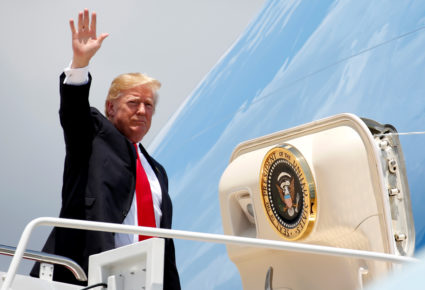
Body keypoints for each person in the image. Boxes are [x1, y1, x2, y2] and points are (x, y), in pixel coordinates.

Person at [30, 9, 181, 289]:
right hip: (86, 276)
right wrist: (80, 62)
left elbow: (165, 244)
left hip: (144, 282)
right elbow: (73, 113)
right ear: (111, 107)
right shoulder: (93, 136)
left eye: (149, 106)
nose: (142, 111)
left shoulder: (157, 171)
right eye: (134, 102)